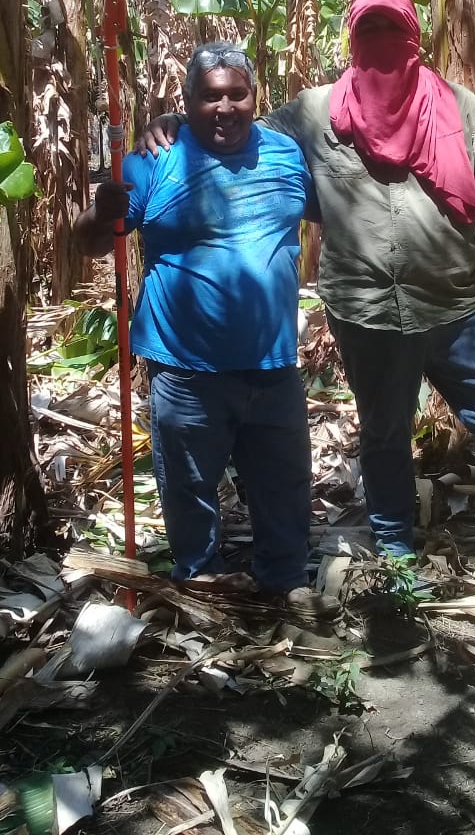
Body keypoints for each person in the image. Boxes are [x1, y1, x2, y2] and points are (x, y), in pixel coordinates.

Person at [140, 0, 475, 565]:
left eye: (392, 32)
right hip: (367, 309)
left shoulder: (459, 107)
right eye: (368, 33)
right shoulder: (314, 112)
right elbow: (240, 136)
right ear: (352, 43)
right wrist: (181, 123)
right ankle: (396, 549)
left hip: (459, 301)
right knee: (384, 436)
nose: (382, 49)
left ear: (414, 38)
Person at [74, 42, 335, 614]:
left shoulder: (288, 156)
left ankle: (284, 580)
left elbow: (345, 207)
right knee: (189, 490)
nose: (224, 107)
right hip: (185, 367)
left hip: (272, 364)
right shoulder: (155, 158)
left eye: (235, 94)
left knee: (285, 483)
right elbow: (92, 241)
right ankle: (202, 586)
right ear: (187, 102)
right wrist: (101, 209)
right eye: (209, 96)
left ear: (254, 97)